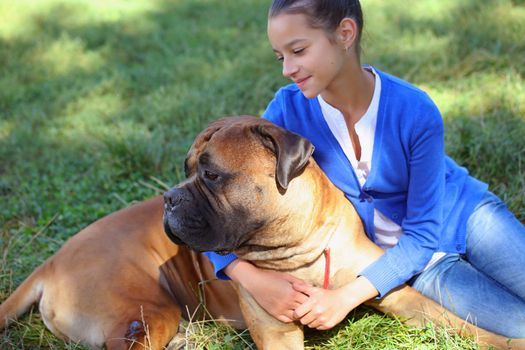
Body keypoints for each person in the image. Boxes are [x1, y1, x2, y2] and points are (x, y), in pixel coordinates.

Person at [205, 0, 525, 337]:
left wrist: (345, 297)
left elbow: (423, 233)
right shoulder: (286, 113)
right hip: (417, 266)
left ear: (345, 33)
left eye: (298, 50)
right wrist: (251, 278)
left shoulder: (414, 110)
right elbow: (213, 204)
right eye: (280, 57)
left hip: (471, 217)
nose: (287, 68)